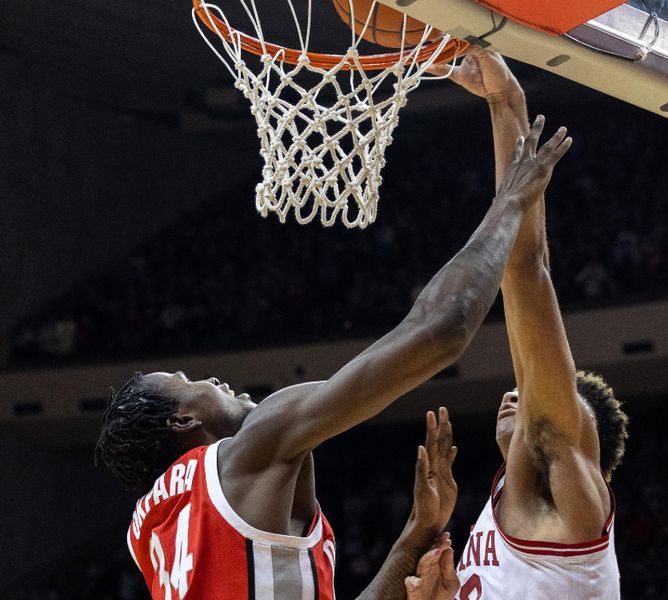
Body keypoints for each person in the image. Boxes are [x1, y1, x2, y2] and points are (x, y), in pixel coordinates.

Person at [94, 122, 573, 600]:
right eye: (189, 380)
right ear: (183, 419)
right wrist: (509, 202)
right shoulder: (253, 445)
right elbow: (442, 331)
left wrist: (416, 531)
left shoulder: (151, 536)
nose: (214, 379)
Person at [431, 49, 629, 598]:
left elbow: (526, 270)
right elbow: (523, 272)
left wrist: (506, 102)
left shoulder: (573, 507)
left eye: (548, 398)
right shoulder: (520, 510)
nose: (522, 396)